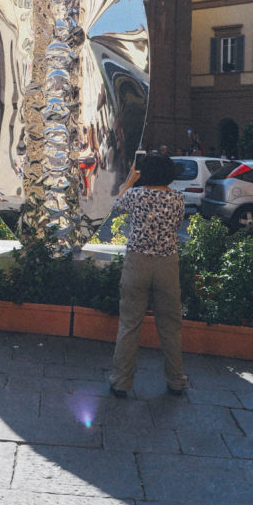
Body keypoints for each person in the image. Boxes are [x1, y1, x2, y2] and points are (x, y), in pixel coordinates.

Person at [108, 152, 187, 398]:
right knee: (170, 325)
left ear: (146, 172)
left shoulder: (135, 195)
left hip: (137, 261)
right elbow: (175, 226)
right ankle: (176, 381)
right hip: (166, 263)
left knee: (130, 323)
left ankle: (121, 382)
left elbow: (115, 207)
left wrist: (130, 181)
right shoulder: (178, 199)